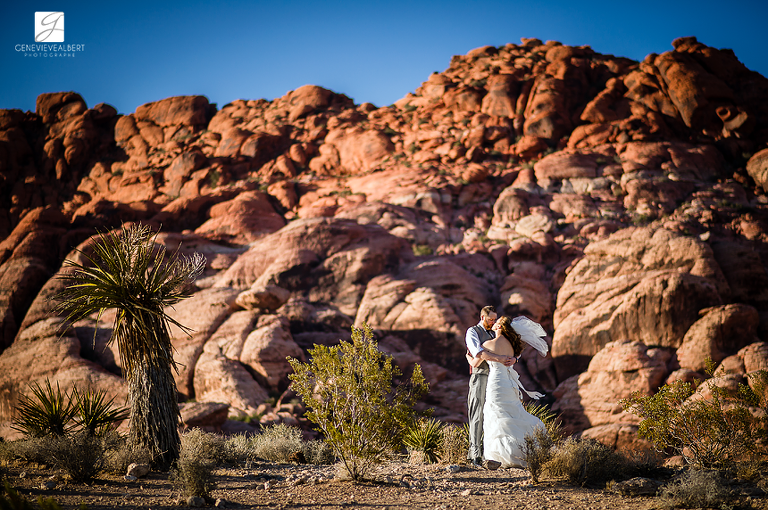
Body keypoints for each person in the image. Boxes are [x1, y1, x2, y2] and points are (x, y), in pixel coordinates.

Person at [470, 315, 550, 468]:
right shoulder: (512, 347)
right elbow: (514, 358)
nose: (493, 324)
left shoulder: (487, 344)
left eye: (496, 322)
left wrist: (468, 356)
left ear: (499, 327)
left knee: (495, 412)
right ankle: (523, 451)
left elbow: (475, 362)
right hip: (508, 384)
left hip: (495, 382)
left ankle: (497, 455)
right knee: (511, 412)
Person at [464, 306, 515, 468]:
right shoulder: (473, 332)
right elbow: (478, 353)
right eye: (490, 319)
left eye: (495, 319)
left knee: (494, 414)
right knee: (477, 413)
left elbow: (513, 351)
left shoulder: (495, 333)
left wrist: (514, 360)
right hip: (479, 376)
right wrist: (500, 358)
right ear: (482, 317)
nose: (493, 322)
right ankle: (475, 454)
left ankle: (491, 453)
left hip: (496, 379)